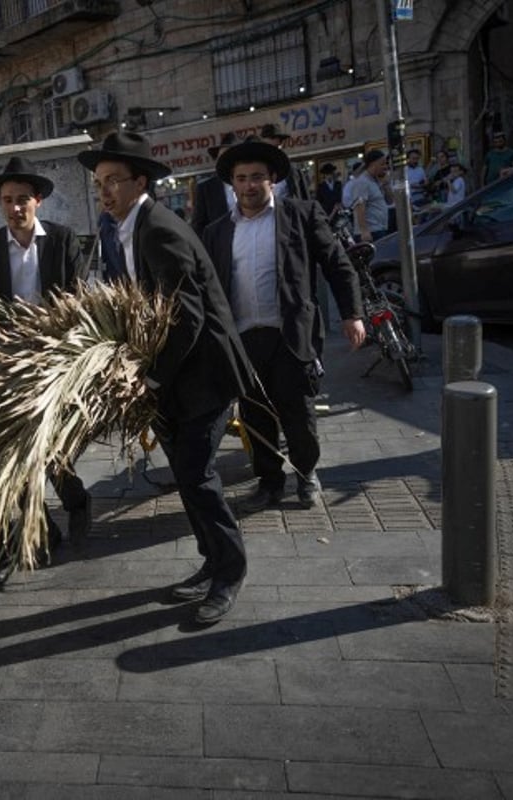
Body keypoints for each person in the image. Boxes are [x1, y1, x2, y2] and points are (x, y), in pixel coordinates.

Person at [77, 131, 259, 624]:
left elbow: (187, 317)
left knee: (198, 476)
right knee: (184, 473)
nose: (105, 191)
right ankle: (211, 561)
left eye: (114, 181)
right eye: (99, 183)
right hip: (169, 379)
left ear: (141, 182)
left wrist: (150, 381)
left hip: (204, 375)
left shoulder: (160, 228)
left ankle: (229, 573)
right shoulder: (120, 231)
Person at [199, 139, 366, 511]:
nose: (249, 185)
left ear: (272, 178)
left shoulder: (302, 215)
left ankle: (307, 475)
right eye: (241, 178)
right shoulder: (217, 231)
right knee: (255, 416)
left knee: (298, 413)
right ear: (232, 184)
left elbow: (338, 265)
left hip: (290, 334)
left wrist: (352, 315)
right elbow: (206, 288)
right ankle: (270, 481)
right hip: (242, 339)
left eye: (257, 176)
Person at [0, 156, 92, 562]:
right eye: (7, 200)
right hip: (9, 361)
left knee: (56, 442)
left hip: (55, 357)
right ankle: (41, 526)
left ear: (37, 201)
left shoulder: (61, 239)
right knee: (22, 446)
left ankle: (76, 502)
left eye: (22, 199)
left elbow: (77, 298)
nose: (14, 208)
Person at [191, 131, 239, 239]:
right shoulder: (206, 188)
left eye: (230, 157)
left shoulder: (250, 184)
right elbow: (198, 226)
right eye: (221, 158)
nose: (226, 162)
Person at [258, 123, 313, 201]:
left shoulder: (291, 170)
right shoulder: (255, 170)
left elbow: (303, 198)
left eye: (278, 146)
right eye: (272, 138)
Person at [349, 149, 391, 242]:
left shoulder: (375, 181)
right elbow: (359, 207)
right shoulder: (362, 182)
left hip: (380, 228)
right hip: (371, 232)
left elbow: (390, 200)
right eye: (382, 164)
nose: (385, 167)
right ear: (373, 164)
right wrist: (364, 231)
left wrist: (385, 184)